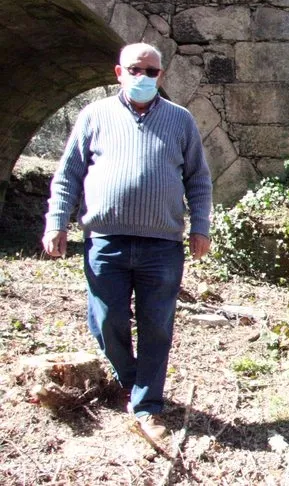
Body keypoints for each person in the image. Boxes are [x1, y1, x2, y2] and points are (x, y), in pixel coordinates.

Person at [42, 43, 213, 442]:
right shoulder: (94, 116)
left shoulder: (180, 120)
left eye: (152, 71)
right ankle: (135, 379)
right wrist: (57, 223)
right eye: (136, 69)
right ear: (119, 72)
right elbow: (68, 176)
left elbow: (199, 180)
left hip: (162, 246)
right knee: (106, 319)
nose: (144, 77)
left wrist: (200, 227)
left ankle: (147, 405)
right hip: (106, 241)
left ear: (161, 76)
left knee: (157, 326)